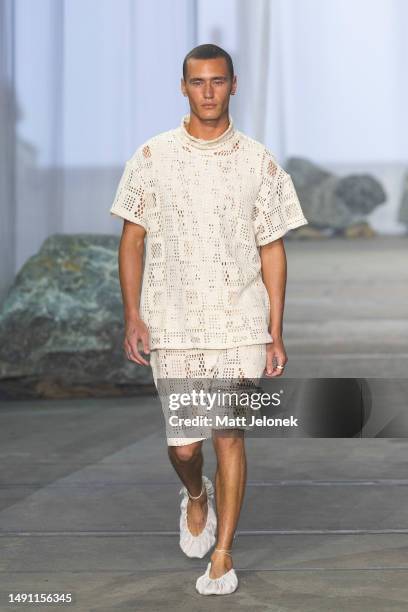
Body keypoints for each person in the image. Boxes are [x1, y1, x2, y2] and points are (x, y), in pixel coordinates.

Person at [109, 43, 308, 596]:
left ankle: (222, 554)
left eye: (218, 81)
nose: (208, 92)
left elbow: (273, 249)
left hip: (240, 320)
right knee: (185, 448)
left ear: (233, 85)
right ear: (183, 87)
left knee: (230, 435)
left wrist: (275, 329)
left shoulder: (259, 162)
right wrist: (133, 315)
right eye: (198, 82)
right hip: (172, 319)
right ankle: (196, 496)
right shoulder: (151, 157)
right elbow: (132, 239)